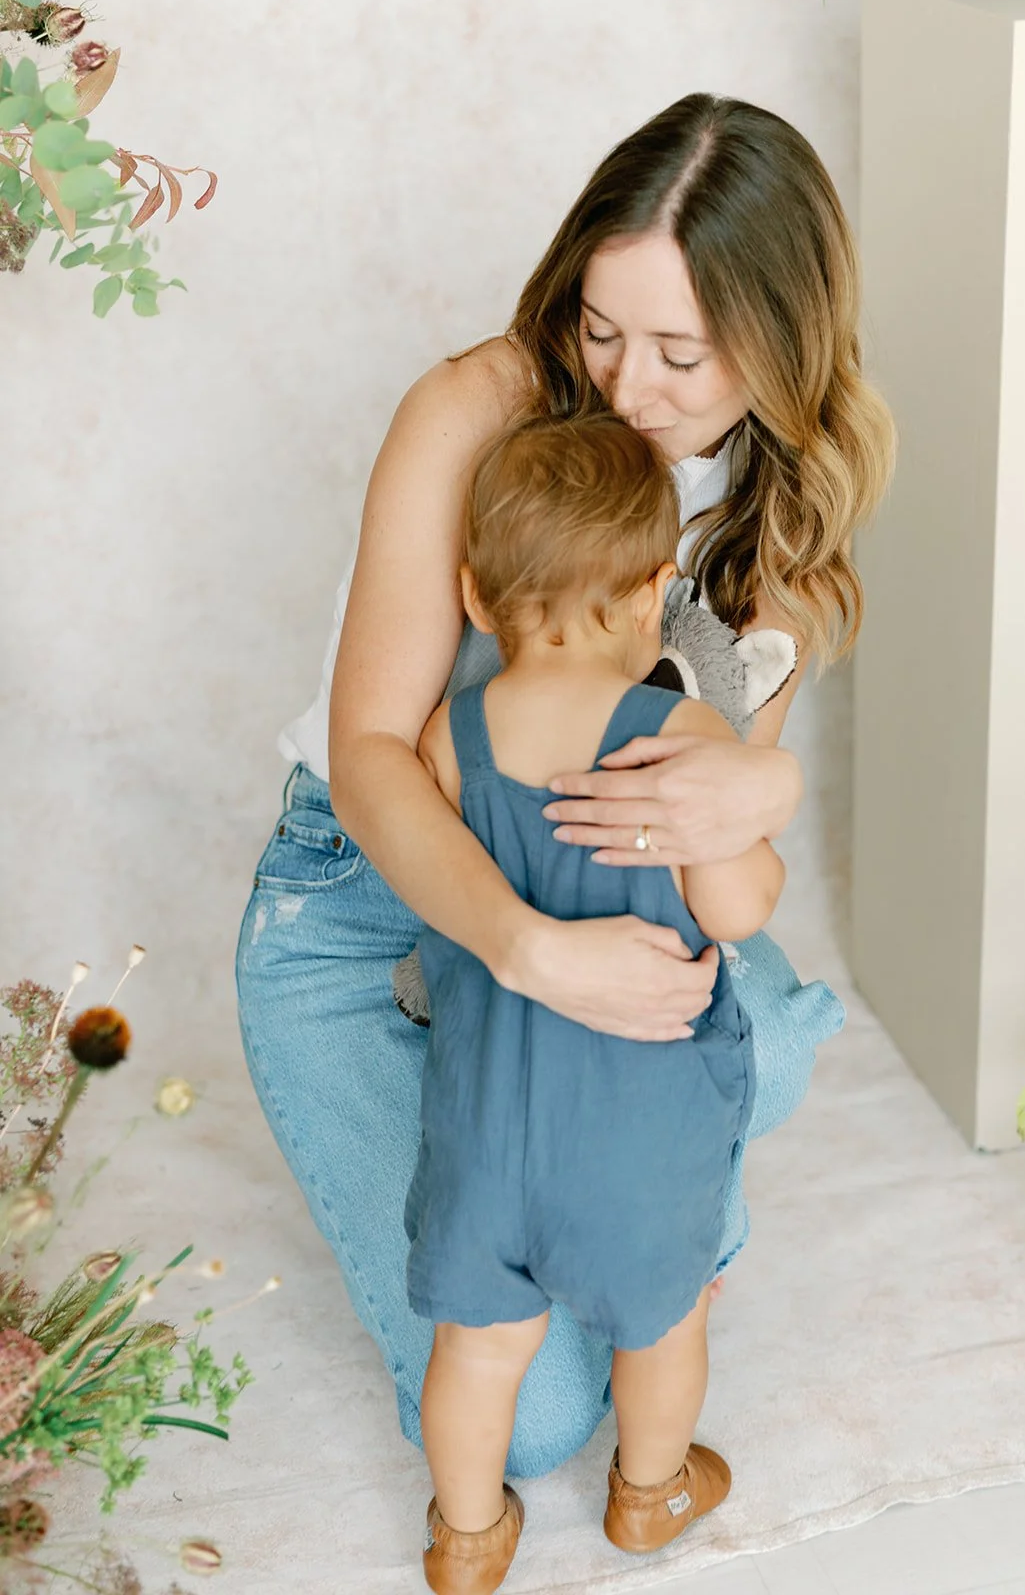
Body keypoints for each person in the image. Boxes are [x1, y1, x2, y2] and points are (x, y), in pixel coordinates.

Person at [236, 92, 894, 1482]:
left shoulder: (767, 526)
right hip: (367, 910)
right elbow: (369, 755)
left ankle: (579, 1193)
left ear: (781, 349)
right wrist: (531, 957)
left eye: (681, 354)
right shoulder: (476, 407)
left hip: (594, 890)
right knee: (531, 1431)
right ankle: (561, 1187)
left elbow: (703, 832)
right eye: (601, 329)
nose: (625, 389)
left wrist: (751, 794)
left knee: (765, 1043)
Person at [411, 411, 779, 1593]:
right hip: (637, 1130)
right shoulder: (675, 731)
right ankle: (648, 1493)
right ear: (653, 594)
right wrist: (748, 833)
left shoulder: (447, 735)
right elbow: (736, 911)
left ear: (475, 595)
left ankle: (466, 1540)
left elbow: (436, 882)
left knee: (478, 1347)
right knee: (663, 1322)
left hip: (486, 1124)